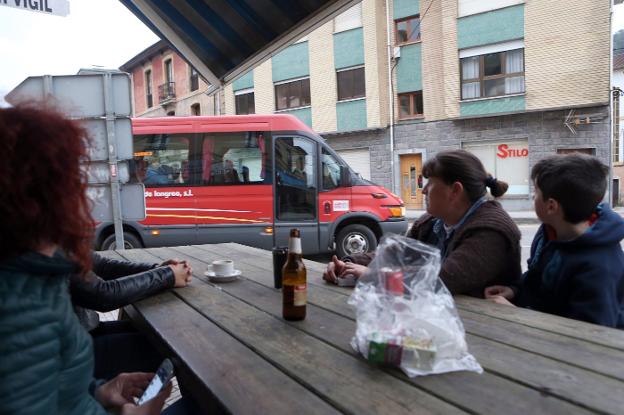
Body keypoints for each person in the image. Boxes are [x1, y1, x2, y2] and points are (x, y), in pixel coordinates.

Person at [0, 105, 169, 414]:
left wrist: (100, 392)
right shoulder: (19, 308)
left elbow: (51, 386)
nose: (82, 192)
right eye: (71, 177)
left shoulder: (33, 273)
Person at [324, 150, 522, 296]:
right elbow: (393, 254)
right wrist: (349, 264)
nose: (424, 190)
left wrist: (372, 275)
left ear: (455, 191)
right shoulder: (433, 221)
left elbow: (442, 280)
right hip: (438, 322)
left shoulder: (491, 231)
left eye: (430, 183)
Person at [484, 154, 624, 328]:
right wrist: (514, 290)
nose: (533, 197)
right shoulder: (550, 232)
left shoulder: (600, 267)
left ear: (551, 206)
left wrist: (516, 314)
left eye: (536, 192)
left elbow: (588, 335)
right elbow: (536, 276)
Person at [71, 252, 193, 380]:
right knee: (176, 349)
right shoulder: (53, 242)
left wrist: (158, 270)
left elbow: (103, 266)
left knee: (168, 335)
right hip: (70, 356)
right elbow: (103, 295)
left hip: (83, 331)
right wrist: (167, 276)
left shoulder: (60, 241)